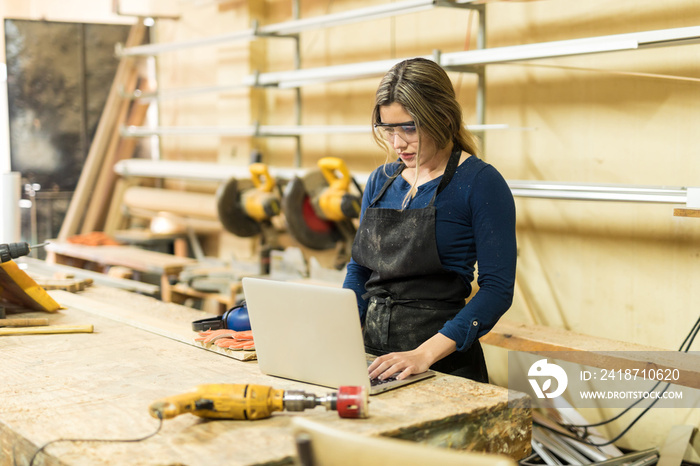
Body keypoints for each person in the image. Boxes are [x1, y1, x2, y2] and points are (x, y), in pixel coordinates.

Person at [342, 57, 517, 384]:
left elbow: (497, 290)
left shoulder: (479, 183)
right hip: (372, 358)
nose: (397, 143)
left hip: (442, 364)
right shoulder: (381, 182)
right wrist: (341, 327)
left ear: (442, 117)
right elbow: (360, 268)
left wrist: (424, 354)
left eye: (408, 127)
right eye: (388, 128)